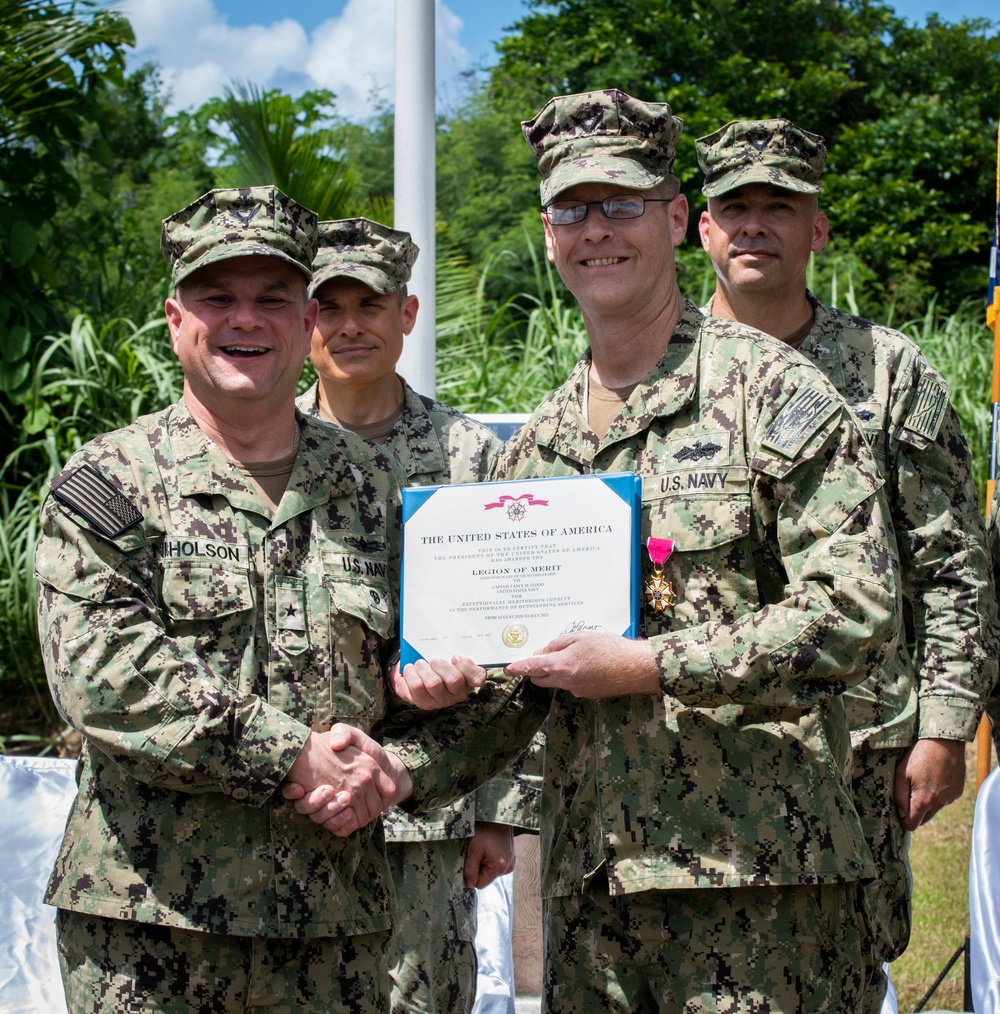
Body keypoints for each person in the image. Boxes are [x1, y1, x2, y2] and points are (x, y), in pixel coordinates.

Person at [33, 185, 515, 1014]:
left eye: (273, 298)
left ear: (304, 321)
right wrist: (292, 754)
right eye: (217, 297)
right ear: (174, 317)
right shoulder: (109, 481)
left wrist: (405, 765)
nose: (245, 320)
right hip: (153, 932)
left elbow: (497, 680)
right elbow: (101, 674)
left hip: (339, 931)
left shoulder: (379, 491)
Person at [476, 86, 901, 1013]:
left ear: (676, 219)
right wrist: (437, 704)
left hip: (755, 886)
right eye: (571, 208)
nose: (597, 230)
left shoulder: (773, 393)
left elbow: (855, 610)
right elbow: (517, 675)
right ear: (548, 234)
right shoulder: (534, 447)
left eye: (622, 203)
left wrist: (645, 666)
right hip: (593, 900)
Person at [695, 118, 998, 1013]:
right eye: (735, 207)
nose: (755, 226)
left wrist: (944, 725)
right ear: (701, 227)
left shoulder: (886, 368)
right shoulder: (653, 366)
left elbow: (950, 562)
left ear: (816, 229)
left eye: (779, 207)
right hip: (688, 749)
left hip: (853, 747)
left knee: (842, 972)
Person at [296, 217, 539, 1014]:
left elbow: (518, 642)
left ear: (407, 314)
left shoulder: (475, 457)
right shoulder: (265, 447)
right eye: (327, 306)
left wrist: (499, 813)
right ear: (303, 324)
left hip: (427, 814)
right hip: (293, 805)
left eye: (370, 303)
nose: (349, 325)